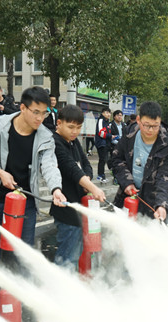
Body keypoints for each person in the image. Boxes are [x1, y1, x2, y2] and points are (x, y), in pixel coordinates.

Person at [0, 86, 66, 316]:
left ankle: (23, 308)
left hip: (26, 203)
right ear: (23, 107)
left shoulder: (45, 136)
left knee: (24, 254)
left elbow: (49, 165)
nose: (40, 118)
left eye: (44, 113)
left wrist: (56, 189)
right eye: (35, 112)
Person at [51, 105, 106, 269]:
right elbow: (72, 168)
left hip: (79, 207)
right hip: (66, 209)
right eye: (71, 127)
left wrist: (87, 178)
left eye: (79, 127)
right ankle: (61, 283)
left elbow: (86, 164)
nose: (75, 132)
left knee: (75, 254)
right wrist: (94, 188)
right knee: (67, 258)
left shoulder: (73, 142)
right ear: (59, 123)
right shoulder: (55, 143)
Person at [112, 101, 168, 220]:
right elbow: (116, 160)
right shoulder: (129, 135)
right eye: (146, 125)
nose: (150, 130)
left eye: (155, 126)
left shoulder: (167, 145)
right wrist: (127, 182)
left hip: (152, 205)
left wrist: (162, 205)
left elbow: (165, 177)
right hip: (127, 199)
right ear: (138, 120)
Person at [94, 107, 111, 182]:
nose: (108, 114)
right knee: (102, 159)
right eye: (107, 112)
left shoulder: (107, 122)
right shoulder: (101, 120)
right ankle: (100, 175)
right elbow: (100, 133)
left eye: (109, 113)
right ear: (102, 113)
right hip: (101, 143)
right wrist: (110, 136)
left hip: (106, 143)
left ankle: (102, 175)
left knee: (104, 159)